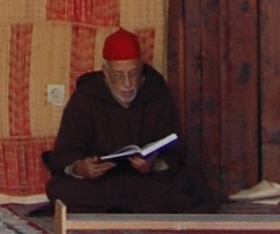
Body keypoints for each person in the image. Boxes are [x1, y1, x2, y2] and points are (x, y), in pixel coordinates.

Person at [41, 27, 189, 213]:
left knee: (184, 187)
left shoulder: (157, 93)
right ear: (106, 72)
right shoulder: (86, 97)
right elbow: (66, 150)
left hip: (144, 181)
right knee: (60, 190)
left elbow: (174, 149)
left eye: (133, 74)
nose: (127, 83)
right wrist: (81, 168)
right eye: (119, 75)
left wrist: (154, 164)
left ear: (141, 68)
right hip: (101, 183)